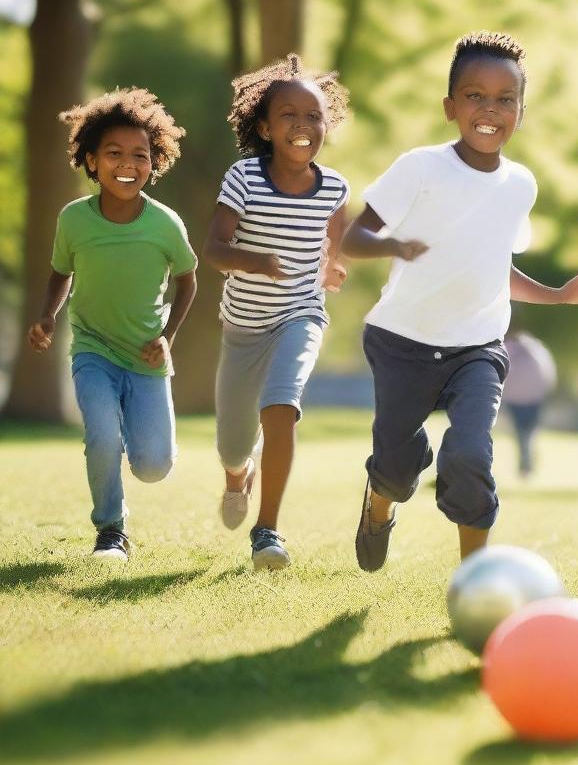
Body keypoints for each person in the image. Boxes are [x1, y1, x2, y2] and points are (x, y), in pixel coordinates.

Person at [341, 31, 578, 571]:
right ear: (450, 107)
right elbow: (352, 239)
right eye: (475, 96)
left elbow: (495, 267)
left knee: (469, 454)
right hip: (401, 343)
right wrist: (391, 243)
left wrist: (559, 295)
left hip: (478, 348)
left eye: (505, 99)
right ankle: (379, 504)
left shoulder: (520, 185)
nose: (490, 109)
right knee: (394, 465)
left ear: (521, 112)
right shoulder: (420, 167)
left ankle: (473, 578)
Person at [27, 89, 197, 561]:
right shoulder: (74, 220)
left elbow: (188, 283)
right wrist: (47, 314)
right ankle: (111, 530)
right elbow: (61, 272)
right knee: (101, 435)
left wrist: (167, 338)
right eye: (114, 154)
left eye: (140, 156)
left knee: (153, 466)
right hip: (93, 349)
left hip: (145, 356)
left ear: (154, 162)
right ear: (92, 161)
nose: (128, 164)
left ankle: (130, 436)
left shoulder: (165, 224)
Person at [203, 54, 350, 571]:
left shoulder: (333, 188)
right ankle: (237, 474)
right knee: (233, 443)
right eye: (289, 115)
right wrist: (256, 261)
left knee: (282, 405)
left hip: (301, 313)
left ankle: (267, 532)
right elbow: (214, 250)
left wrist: (332, 270)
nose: (303, 125)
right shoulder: (244, 176)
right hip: (243, 325)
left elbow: (335, 246)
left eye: (313, 116)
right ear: (264, 127)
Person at [502, 324, 557, 479]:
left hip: (521, 398)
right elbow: (547, 371)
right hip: (530, 397)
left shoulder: (512, 347)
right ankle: (527, 462)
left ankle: (526, 463)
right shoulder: (535, 348)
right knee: (526, 433)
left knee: (523, 433)